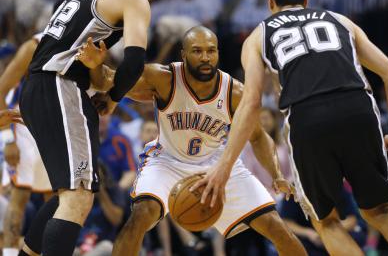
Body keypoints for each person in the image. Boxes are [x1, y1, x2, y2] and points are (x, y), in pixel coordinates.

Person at [193, 0, 388, 256]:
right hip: (358, 108)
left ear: (270, 2)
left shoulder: (257, 36)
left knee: (325, 221)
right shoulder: (340, 20)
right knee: (380, 210)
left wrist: (222, 168)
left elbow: (251, 104)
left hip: (307, 117)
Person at [77, 25, 307, 256]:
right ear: (183, 55)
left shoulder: (234, 92)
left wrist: (276, 174)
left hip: (217, 164)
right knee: (140, 216)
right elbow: (107, 80)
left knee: (277, 227)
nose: (206, 57)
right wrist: (96, 64)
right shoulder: (164, 78)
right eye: (197, 51)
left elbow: (258, 137)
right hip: (168, 160)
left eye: (211, 50)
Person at [18, 0, 182, 256]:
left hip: (39, 87)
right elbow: (134, 61)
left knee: (66, 196)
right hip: (60, 86)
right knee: (78, 196)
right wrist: (114, 97)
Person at [0, 32, 53, 256]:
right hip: (25, 127)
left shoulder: (85, 45)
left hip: (57, 129)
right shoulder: (35, 44)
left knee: (59, 199)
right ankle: (11, 253)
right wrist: (8, 140)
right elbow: (2, 91)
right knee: (19, 196)